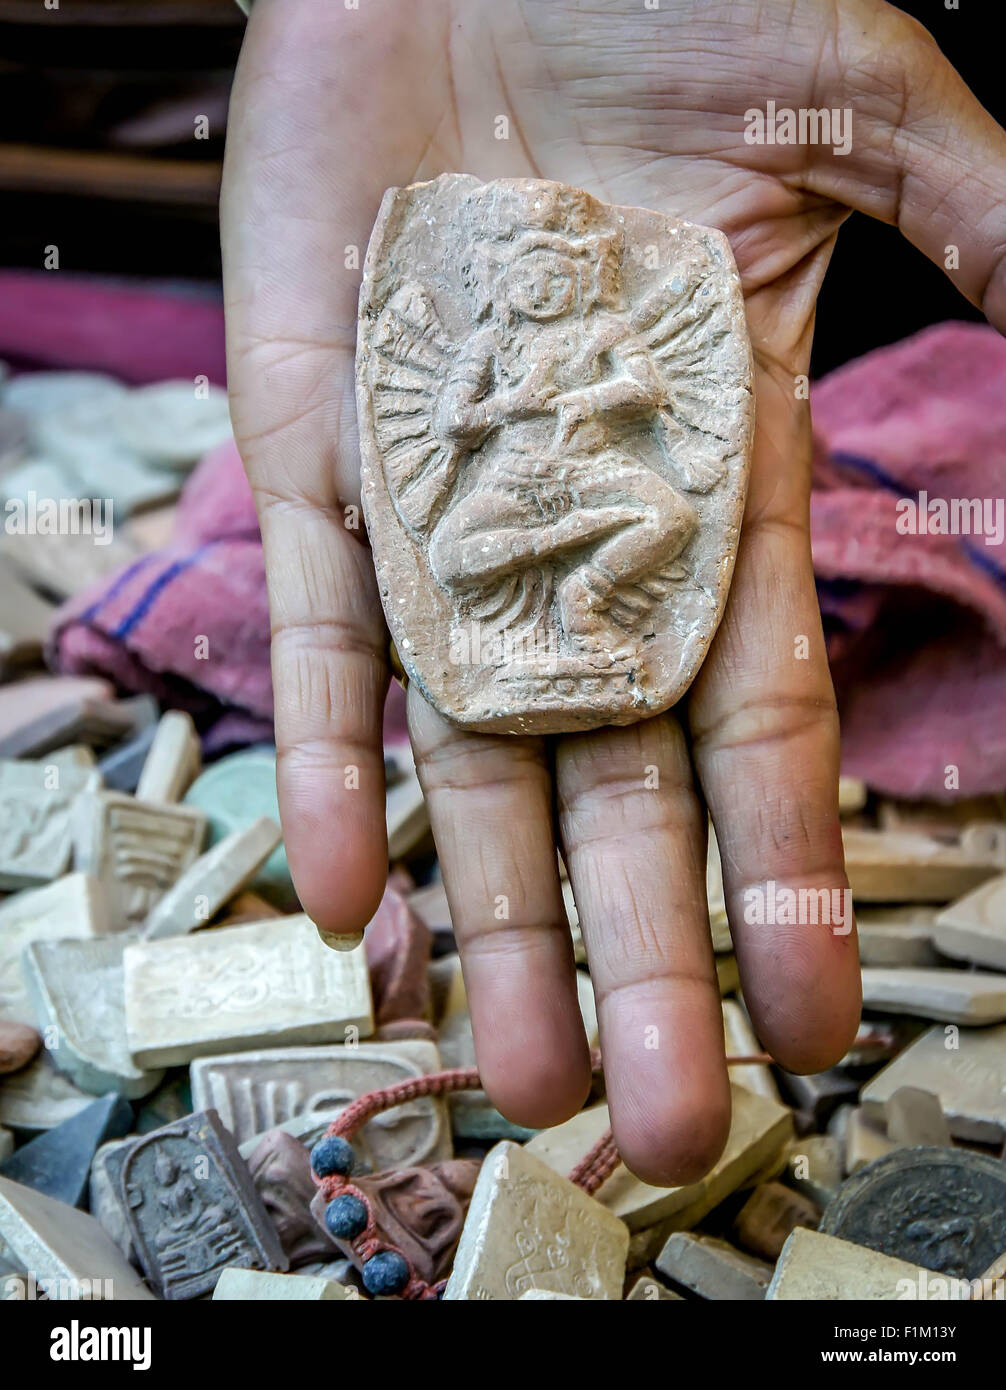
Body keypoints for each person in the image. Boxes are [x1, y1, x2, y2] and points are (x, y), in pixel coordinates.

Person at [220, 0, 1006, 1186]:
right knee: (456, 554)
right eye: (522, 274)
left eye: (557, 273)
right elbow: (449, 424)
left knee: (665, 517)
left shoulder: (597, 332)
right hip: (510, 497)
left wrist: (603, 399)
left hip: (592, 488)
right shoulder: (486, 341)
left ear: (578, 274)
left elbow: (643, 392)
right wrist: (495, 412)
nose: (540, 288)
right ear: (500, 280)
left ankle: (587, 613)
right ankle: (530, 623)